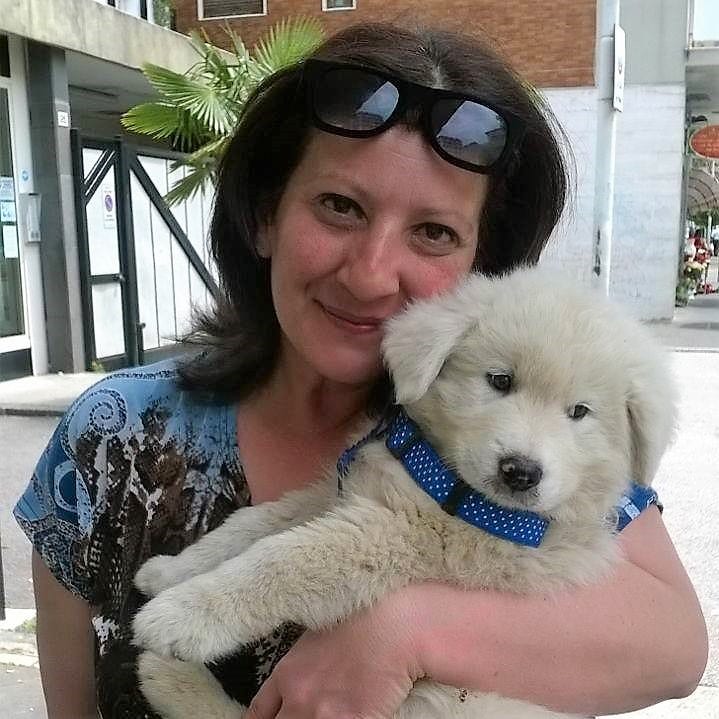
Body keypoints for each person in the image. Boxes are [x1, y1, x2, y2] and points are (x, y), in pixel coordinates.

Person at [14, 22, 707, 719]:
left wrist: (402, 633)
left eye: (433, 232)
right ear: (265, 216)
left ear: (482, 266)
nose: (371, 276)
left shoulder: (532, 431)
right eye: (339, 207)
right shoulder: (115, 433)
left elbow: (676, 647)